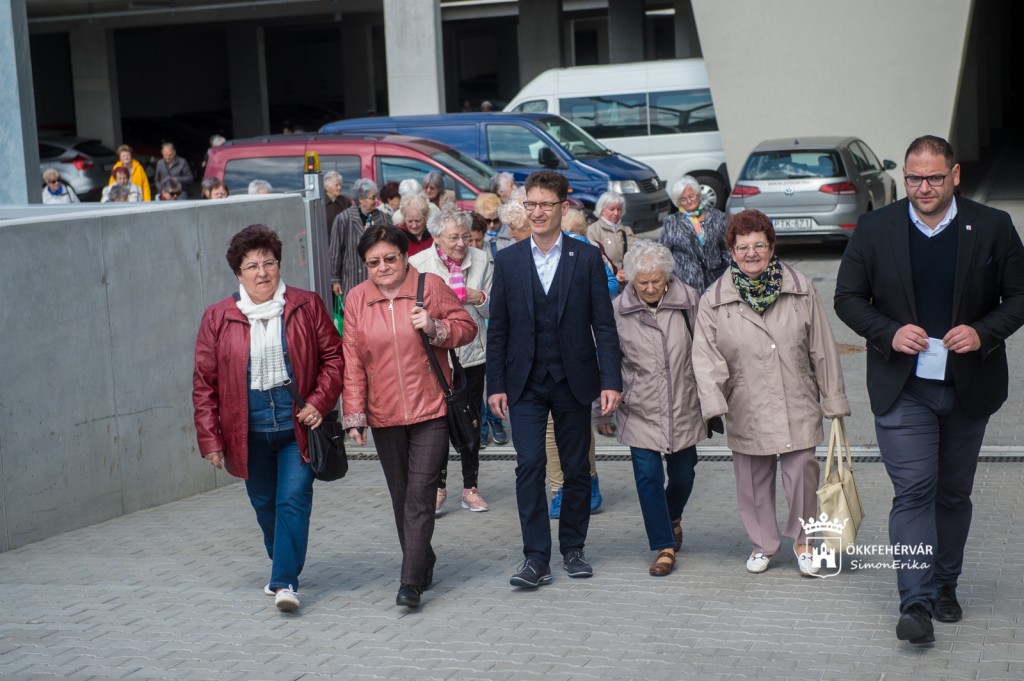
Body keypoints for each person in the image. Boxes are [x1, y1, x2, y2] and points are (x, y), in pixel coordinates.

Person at [834, 135, 1024, 645]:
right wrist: (888, 332)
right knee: (914, 491)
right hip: (904, 387)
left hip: (968, 386)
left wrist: (983, 332)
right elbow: (847, 298)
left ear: (955, 176)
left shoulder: (993, 226)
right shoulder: (875, 228)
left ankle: (945, 586)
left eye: (934, 178)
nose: (923, 187)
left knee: (953, 493)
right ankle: (914, 603)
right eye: (914, 178)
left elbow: (1019, 296)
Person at [192, 224, 344, 613]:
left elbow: (334, 357)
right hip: (247, 429)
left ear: (279, 265)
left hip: (298, 425)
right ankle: (284, 562)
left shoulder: (306, 305)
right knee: (265, 505)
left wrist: (319, 402)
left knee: (292, 499)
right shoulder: (217, 317)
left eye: (269, 263)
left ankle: (285, 582)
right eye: (252, 266)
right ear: (238, 273)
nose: (262, 272)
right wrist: (210, 439)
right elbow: (205, 383)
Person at [692, 208, 850, 578]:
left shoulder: (800, 287)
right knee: (752, 481)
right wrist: (714, 404)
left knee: (803, 475)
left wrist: (834, 398)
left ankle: (804, 543)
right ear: (731, 252)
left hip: (796, 397)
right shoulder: (714, 299)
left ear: (772, 247)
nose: (751, 253)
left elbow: (822, 347)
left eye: (759, 245)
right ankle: (762, 544)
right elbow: (705, 356)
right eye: (743, 247)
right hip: (746, 403)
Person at [487, 170, 622, 588]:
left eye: (546, 204)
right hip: (524, 381)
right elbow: (498, 328)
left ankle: (573, 548)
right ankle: (535, 558)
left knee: (577, 468)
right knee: (529, 465)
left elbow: (604, 325)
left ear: (564, 207)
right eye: (531, 204)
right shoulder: (508, 260)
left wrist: (611, 380)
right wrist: (495, 385)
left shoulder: (586, 258)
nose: (537, 212)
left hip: (573, 378)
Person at [342, 224, 477, 608]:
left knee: (419, 496)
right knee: (401, 497)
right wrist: (354, 414)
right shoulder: (357, 299)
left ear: (404, 257)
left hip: (430, 409)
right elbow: (352, 359)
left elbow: (467, 327)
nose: (382, 267)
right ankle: (423, 560)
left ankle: (410, 582)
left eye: (390, 258)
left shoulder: (429, 286)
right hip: (384, 415)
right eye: (373, 262)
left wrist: (435, 328)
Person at [614, 240, 706, 577]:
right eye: (643, 282)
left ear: (667, 277)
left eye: (657, 281)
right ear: (631, 280)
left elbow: (706, 349)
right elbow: (606, 362)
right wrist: (601, 410)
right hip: (638, 407)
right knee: (648, 478)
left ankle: (672, 515)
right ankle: (664, 547)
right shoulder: (617, 310)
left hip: (683, 402)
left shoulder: (688, 300)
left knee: (684, 474)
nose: (651, 288)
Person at [410, 210, 493, 514]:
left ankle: (471, 488)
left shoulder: (482, 259)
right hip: (435, 357)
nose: (461, 243)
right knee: (438, 425)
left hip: (472, 355)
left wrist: (479, 298)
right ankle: (438, 488)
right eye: (454, 237)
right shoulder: (418, 264)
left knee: (471, 423)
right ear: (437, 238)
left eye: (465, 237)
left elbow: (494, 308)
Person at [659, 175, 729, 296]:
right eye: (683, 199)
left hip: (715, 282)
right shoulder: (671, 222)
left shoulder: (717, 217)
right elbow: (663, 253)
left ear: (698, 195)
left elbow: (727, 247)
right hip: (685, 286)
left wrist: (726, 270)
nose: (689, 201)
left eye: (691, 196)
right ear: (678, 202)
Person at [330, 179, 394, 308]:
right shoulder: (344, 218)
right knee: (356, 312)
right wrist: (335, 279)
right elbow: (335, 251)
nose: (376, 200)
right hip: (353, 278)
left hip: (379, 279)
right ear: (361, 199)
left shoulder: (383, 218)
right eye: (372, 198)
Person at [586, 190, 635, 280]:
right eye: (612, 209)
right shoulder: (592, 231)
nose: (616, 213)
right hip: (606, 280)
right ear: (601, 210)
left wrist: (627, 273)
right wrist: (614, 274)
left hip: (626, 279)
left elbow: (635, 257)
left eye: (619, 209)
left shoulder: (627, 230)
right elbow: (593, 261)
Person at [323, 171, 352, 235]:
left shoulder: (346, 202)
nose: (339, 187)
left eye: (340, 184)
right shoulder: (320, 203)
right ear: (327, 187)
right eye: (336, 185)